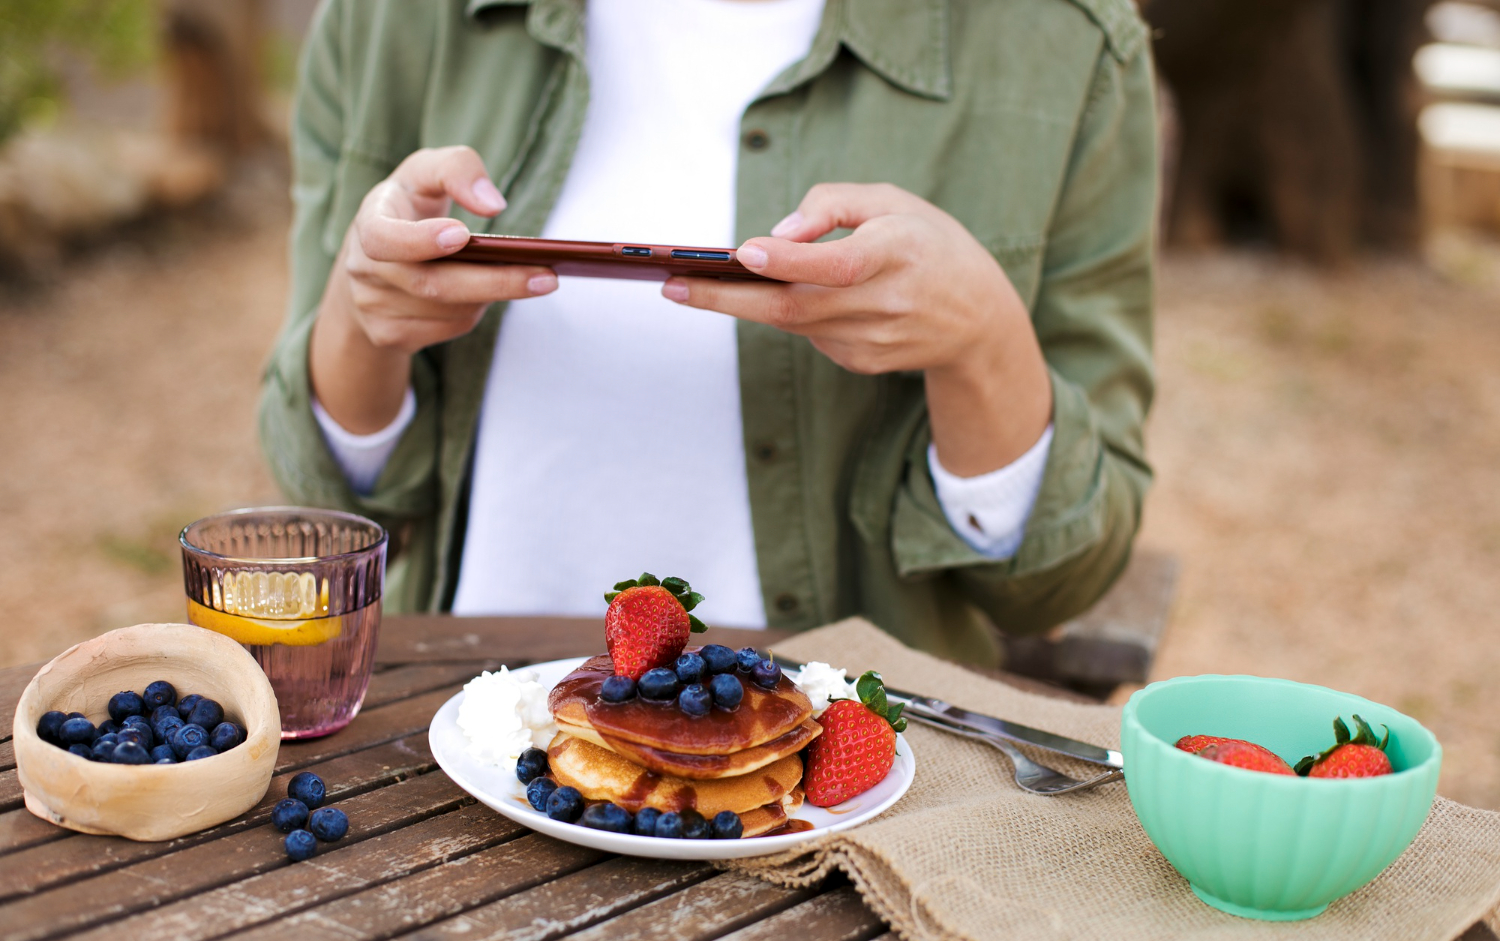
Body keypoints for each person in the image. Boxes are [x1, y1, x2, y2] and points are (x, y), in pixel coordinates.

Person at [260, 0, 1156, 667]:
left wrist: (983, 343)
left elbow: (1057, 580)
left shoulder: (1064, 45)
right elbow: (327, 506)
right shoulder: (392, 21)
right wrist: (361, 316)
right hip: (462, 734)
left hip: (843, 804)